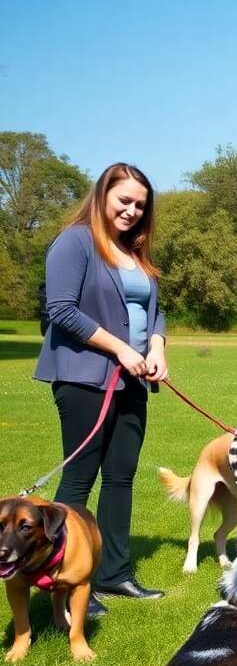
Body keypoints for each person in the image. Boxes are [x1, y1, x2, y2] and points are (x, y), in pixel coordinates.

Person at [34, 163, 168, 616]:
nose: (131, 211)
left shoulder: (135, 252)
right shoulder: (75, 242)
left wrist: (157, 348)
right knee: (78, 479)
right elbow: (61, 310)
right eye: (124, 200)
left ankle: (114, 573)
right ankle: (66, 581)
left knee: (121, 477)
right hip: (84, 377)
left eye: (139, 205)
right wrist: (119, 349)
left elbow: (154, 312)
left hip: (132, 379)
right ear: (102, 195)